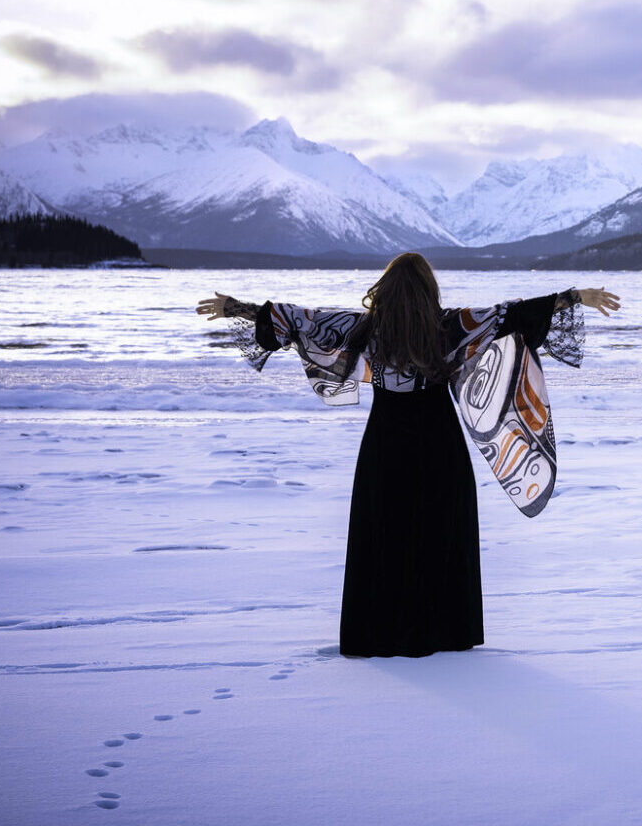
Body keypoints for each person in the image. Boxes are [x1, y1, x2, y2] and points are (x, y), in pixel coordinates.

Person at [197, 253, 620, 657]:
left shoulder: (364, 329)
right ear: (427, 289)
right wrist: (577, 295)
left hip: (385, 443)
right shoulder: (450, 325)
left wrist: (234, 306)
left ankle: (378, 632)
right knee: (441, 533)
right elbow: (512, 313)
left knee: (384, 533)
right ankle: (449, 632)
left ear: (388, 289)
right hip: (440, 444)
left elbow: (298, 320)